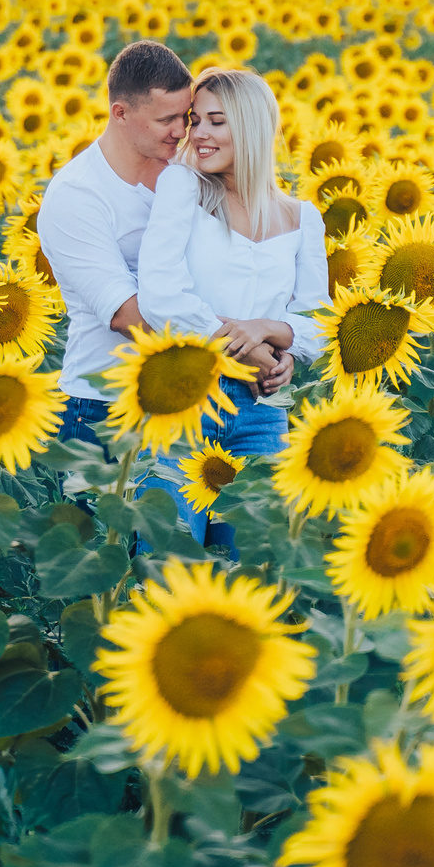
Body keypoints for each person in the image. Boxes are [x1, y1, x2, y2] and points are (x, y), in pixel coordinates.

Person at [134, 67, 325, 551]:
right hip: (184, 400)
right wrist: (255, 351)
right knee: (166, 564)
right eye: (196, 121)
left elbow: (319, 323)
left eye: (216, 122)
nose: (197, 134)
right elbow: (161, 295)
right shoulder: (185, 187)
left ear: (252, 125)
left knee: (248, 567)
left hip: (263, 414)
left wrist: (272, 335)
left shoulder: (303, 218)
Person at [33, 40, 196, 442]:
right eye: (166, 120)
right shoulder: (78, 194)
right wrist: (237, 349)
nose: (181, 131)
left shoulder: (188, 172)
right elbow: (127, 317)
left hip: (187, 395)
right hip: (102, 406)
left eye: (186, 117)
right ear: (120, 113)